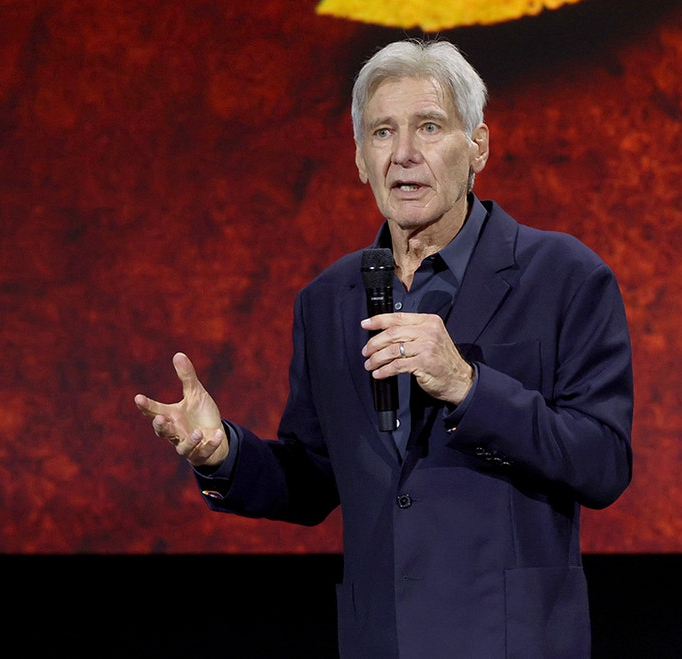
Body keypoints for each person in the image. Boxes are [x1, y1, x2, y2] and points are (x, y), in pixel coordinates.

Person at [134, 38, 634, 658]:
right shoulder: (328, 299)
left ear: (477, 146)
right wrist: (222, 452)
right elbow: (315, 478)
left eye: (428, 127)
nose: (403, 155)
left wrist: (467, 386)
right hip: (382, 640)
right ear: (359, 159)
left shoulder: (563, 274)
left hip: (512, 639)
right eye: (381, 133)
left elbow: (603, 463)